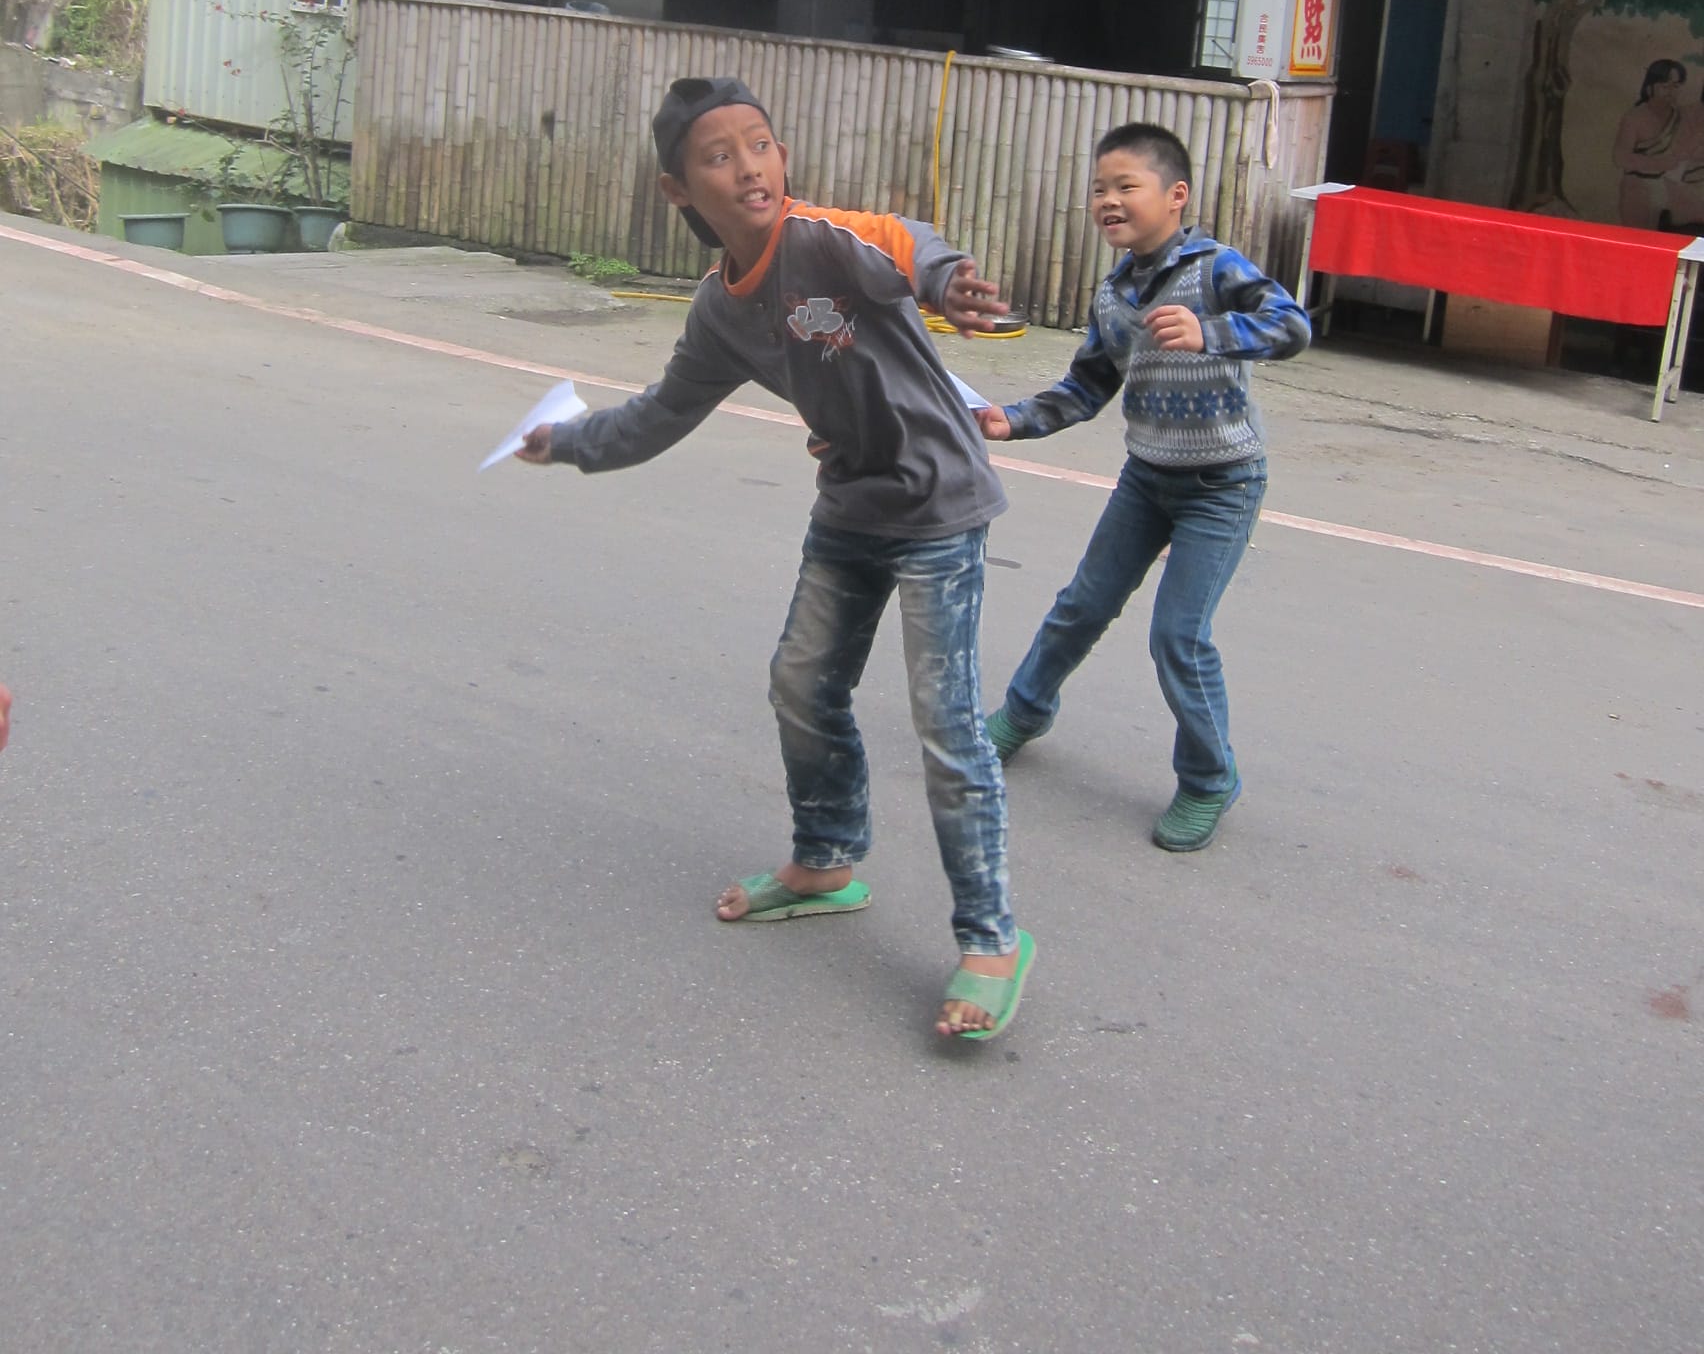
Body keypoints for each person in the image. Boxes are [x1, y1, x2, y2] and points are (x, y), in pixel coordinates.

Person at [518, 75, 1035, 1041]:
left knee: (945, 722)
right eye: (719, 157)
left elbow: (905, 242)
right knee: (801, 683)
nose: (749, 168)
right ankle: (826, 860)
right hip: (851, 503)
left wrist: (946, 279)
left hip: (939, 503)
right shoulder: (721, 311)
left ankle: (991, 938)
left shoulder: (824, 241)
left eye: (760, 145)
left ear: (782, 156)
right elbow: (662, 413)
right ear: (680, 190)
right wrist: (568, 441)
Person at [981, 120, 1310, 851]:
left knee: (1178, 637)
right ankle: (1024, 712)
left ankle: (1209, 779)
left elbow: (1292, 326)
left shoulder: (1215, 268)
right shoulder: (1114, 294)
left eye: (1126, 185)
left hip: (1222, 484)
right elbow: (1086, 387)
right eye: (1099, 188)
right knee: (1081, 606)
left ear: (1175, 195)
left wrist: (1211, 332)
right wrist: (1012, 419)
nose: (1108, 200)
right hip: (1145, 479)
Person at [1612, 59, 1686, 228]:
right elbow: (1620, 158)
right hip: (1636, 187)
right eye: (1665, 86)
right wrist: (1657, 163)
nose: (1670, 92)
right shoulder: (1635, 118)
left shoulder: (1679, 117)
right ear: (1650, 86)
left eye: (1675, 86)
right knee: (1636, 237)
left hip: (1665, 188)